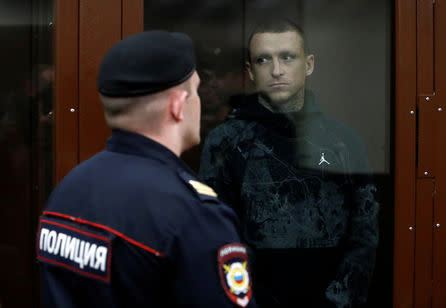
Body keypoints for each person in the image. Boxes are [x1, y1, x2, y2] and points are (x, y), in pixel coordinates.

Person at [36, 30, 257, 308]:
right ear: (178, 105)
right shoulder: (194, 216)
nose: (199, 102)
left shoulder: (69, 189)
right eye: (196, 91)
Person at [199, 19, 379, 308]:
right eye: (263, 60)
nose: (276, 70)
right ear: (250, 72)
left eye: (287, 57)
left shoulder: (343, 140)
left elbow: (364, 234)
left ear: (308, 65)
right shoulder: (225, 141)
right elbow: (215, 236)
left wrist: (338, 302)